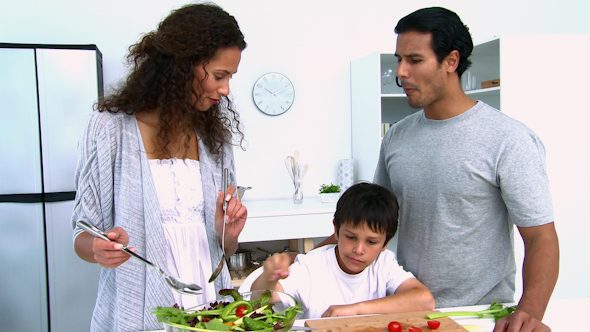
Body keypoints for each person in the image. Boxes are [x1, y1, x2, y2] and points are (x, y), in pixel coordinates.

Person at [376, 7, 559, 332]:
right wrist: (304, 262)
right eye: (398, 59)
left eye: (414, 60)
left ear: (451, 61)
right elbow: (375, 221)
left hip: (482, 318)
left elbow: (541, 237)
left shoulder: (509, 139)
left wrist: (529, 313)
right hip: (406, 311)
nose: (401, 72)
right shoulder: (396, 138)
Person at [71, 3, 248, 331]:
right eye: (219, 76)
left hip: (208, 300)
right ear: (181, 66)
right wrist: (99, 249)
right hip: (137, 306)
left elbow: (225, 247)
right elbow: (83, 231)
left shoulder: (214, 139)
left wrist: (230, 235)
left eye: (230, 78)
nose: (225, 90)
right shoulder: (109, 129)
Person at [251, 182, 435, 319]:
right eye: (351, 237)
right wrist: (268, 277)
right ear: (336, 230)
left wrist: (355, 309)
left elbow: (425, 300)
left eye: (371, 242)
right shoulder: (312, 266)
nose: (358, 249)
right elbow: (260, 300)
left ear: (385, 243)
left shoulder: (384, 263)